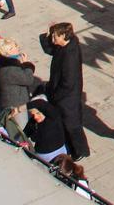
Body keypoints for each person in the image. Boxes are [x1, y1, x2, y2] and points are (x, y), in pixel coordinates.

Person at [41, 22, 90, 159]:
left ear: (63, 36)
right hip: (62, 95)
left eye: (55, 37)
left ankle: (80, 151)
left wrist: (56, 96)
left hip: (67, 98)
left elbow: (68, 83)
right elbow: (49, 49)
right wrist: (47, 33)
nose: (52, 40)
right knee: (66, 124)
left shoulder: (70, 55)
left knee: (72, 125)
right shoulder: (64, 46)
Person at [25, 98, 69, 163]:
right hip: (43, 157)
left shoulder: (54, 118)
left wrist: (18, 109)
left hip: (59, 154)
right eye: (33, 114)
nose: (35, 117)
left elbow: (41, 103)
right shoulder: (33, 122)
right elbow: (24, 133)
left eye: (38, 113)